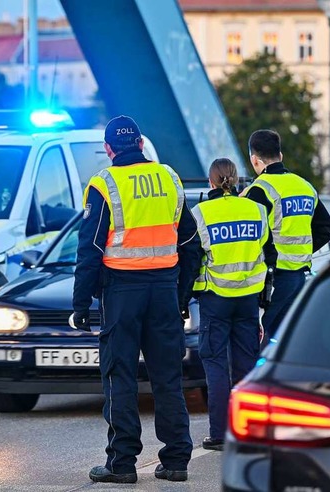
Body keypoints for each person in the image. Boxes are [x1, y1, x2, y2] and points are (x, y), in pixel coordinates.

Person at [71, 115, 201, 484]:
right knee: (167, 378)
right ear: (141, 145)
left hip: (122, 292)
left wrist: (81, 304)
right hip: (163, 290)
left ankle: (122, 463)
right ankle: (176, 460)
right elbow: (191, 244)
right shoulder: (169, 178)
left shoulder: (104, 183)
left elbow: (91, 247)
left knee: (120, 375)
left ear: (109, 149)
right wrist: (180, 295)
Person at [191, 158, 276, 451]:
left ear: (211, 182)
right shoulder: (256, 210)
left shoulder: (201, 213)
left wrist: (183, 296)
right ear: (237, 179)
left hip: (215, 299)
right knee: (246, 365)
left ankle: (219, 433)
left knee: (215, 364)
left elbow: (191, 259)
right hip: (248, 300)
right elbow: (270, 254)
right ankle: (248, 430)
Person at [243, 129, 330, 341]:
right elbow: (326, 228)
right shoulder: (305, 186)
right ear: (280, 156)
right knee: (288, 337)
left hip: (272, 279)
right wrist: (301, 250)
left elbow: (253, 236)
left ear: (255, 160)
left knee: (260, 336)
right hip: (299, 276)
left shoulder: (258, 190)